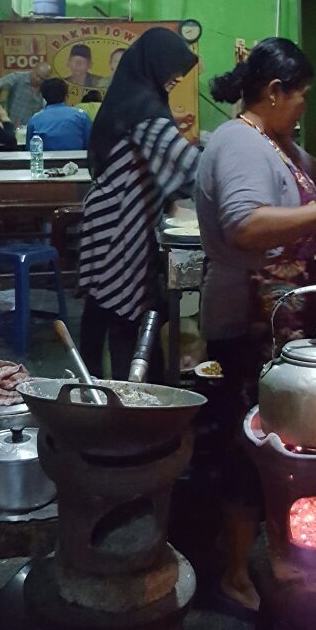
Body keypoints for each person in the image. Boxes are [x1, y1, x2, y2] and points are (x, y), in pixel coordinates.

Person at [196, 38, 316, 612]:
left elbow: (313, 178)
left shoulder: (273, 144)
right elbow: (245, 226)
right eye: (300, 97)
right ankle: (232, 572)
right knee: (248, 446)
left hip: (280, 324)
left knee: (274, 443)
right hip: (247, 323)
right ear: (273, 93)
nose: (304, 108)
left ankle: (275, 551)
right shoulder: (239, 144)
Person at [78, 28, 200, 380]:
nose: (176, 76)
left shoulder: (134, 97)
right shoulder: (144, 107)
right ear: (154, 63)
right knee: (121, 309)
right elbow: (186, 163)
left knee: (101, 305)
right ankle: (120, 396)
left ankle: (92, 389)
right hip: (118, 219)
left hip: (109, 212)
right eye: (173, 68)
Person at [25, 78, 92, 151]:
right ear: (66, 95)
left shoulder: (35, 120)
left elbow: (30, 150)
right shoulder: (81, 116)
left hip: (45, 161)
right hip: (77, 161)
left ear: (43, 96)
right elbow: (90, 145)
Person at [0, 62, 50, 126]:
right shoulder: (18, 77)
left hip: (30, 128)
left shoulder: (45, 88)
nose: (38, 79)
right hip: (11, 124)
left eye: (42, 79)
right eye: (37, 75)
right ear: (33, 70)